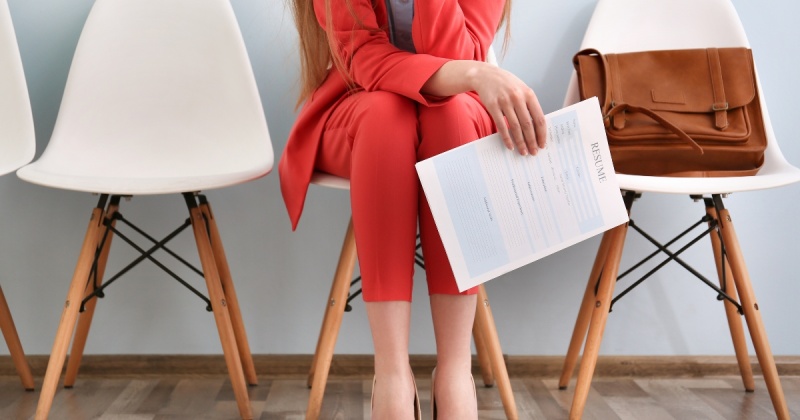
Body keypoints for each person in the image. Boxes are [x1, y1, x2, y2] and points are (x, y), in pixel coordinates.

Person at [281, 0, 547, 418]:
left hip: (456, 114)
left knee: (452, 116)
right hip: (360, 108)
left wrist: (470, 71)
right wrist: (478, 73)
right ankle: (391, 375)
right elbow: (366, 61)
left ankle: (456, 373)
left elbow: (457, 52)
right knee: (388, 116)